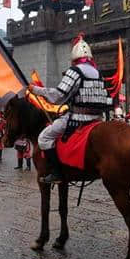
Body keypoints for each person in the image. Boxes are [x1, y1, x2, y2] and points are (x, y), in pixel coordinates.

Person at [28, 34, 112, 183]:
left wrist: (36, 90)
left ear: (74, 56)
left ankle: (57, 173)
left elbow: (58, 96)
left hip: (77, 118)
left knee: (44, 137)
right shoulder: (97, 72)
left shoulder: (75, 71)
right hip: (98, 118)